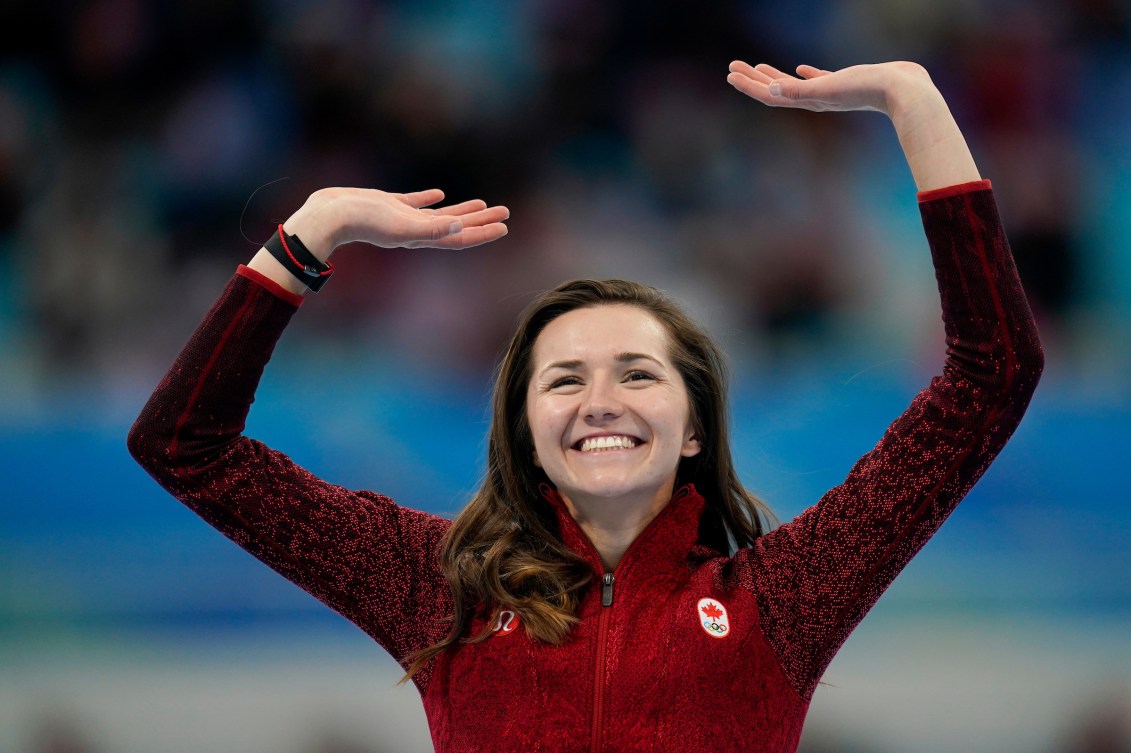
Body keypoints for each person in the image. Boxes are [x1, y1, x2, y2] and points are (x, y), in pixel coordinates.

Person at [128, 60, 1044, 752]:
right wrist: (311, 231)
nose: (600, 399)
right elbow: (183, 443)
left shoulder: (781, 600)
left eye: (637, 374)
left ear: (693, 426)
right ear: (525, 432)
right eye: (563, 379)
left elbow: (990, 373)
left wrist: (915, 101)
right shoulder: (439, 589)